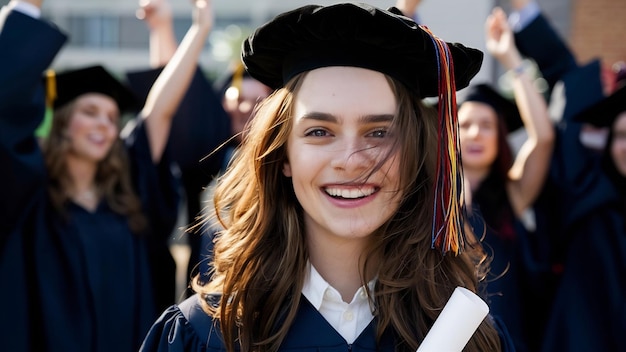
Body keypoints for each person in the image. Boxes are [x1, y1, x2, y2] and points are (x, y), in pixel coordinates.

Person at [139, 3, 515, 351]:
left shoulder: (467, 336)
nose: (351, 161)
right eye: (319, 131)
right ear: (283, 154)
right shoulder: (205, 336)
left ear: (415, 153)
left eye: (379, 132)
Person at [0, 0, 213, 350]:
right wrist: (27, 7)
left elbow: (159, 112)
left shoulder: (129, 194)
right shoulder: (27, 198)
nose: (104, 124)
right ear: (64, 121)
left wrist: (199, 29)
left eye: (112, 118)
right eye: (91, 111)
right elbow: (5, 106)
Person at [127, 0, 271, 291]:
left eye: (257, 104)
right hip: (208, 289)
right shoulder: (209, 157)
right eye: (237, 101)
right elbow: (175, 101)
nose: (244, 109)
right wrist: (163, 29)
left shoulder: (285, 160)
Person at [507, 0, 625, 350]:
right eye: (619, 136)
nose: (625, 146)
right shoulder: (589, 187)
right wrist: (525, 10)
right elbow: (568, 77)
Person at [457, 7, 553, 352]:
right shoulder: (429, 195)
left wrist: (511, 58)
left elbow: (542, 138)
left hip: (505, 340)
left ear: (500, 138)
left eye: (486, 126)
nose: (475, 134)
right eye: (465, 125)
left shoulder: (512, 194)